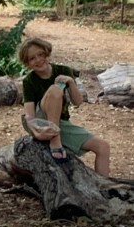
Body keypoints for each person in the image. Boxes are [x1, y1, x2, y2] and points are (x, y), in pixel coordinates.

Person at [19, 36, 110, 175]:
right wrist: (36, 131)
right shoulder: (29, 81)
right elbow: (30, 116)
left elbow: (78, 102)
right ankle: (55, 140)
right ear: (27, 63)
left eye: (40, 54)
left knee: (103, 147)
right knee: (55, 90)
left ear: (47, 53)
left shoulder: (63, 71)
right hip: (41, 121)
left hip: (61, 122)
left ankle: (103, 188)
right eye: (32, 58)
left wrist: (71, 82)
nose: (38, 60)